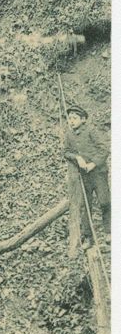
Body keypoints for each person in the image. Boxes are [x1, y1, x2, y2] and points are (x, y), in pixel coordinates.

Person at [63, 103, 110, 244]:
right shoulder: (69, 135)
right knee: (85, 206)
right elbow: (66, 152)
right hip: (84, 175)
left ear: (83, 119)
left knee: (104, 201)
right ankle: (88, 236)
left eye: (75, 118)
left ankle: (109, 232)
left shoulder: (91, 131)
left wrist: (93, 163)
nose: (71, 121)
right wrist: (77, 158)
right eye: (70, 118)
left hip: (98, 173)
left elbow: (104, 149)